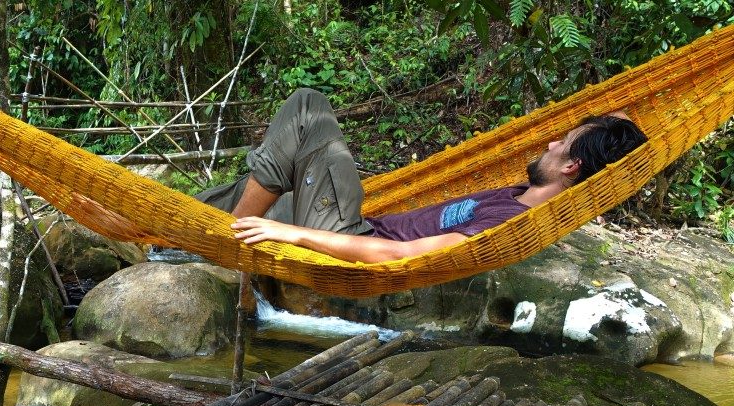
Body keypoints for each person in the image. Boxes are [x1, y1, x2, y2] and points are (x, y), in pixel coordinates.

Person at [194, 88, 648, 263]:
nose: (549, 144)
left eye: (561, 144)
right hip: (332, 217)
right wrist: (609, 126)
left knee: (308, 108)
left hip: (348, 232)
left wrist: (290, 235)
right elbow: (622, 119)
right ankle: (154, 233)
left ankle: (226, 250)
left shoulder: (507, 226)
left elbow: (400, 256)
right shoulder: (517, 193)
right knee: (200, 209)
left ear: (571, 167)